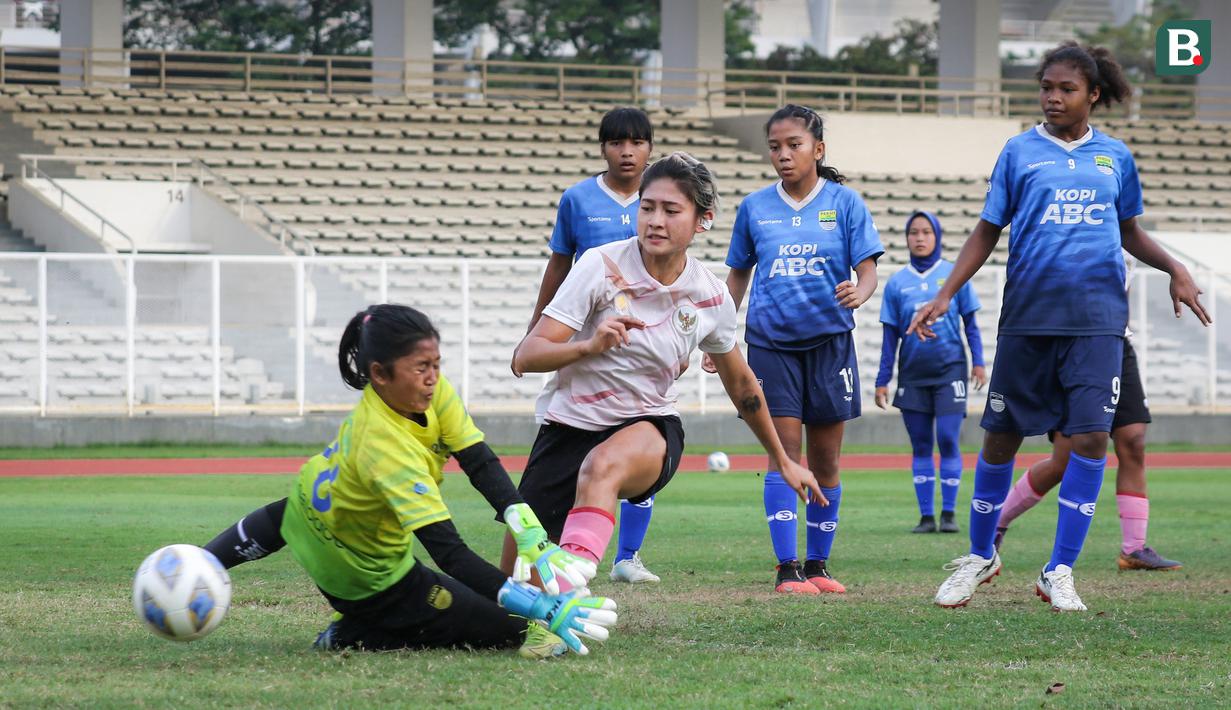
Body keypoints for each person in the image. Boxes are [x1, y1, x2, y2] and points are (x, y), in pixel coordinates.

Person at [911, 42, 1209, 612]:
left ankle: (1059, 570)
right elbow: (986, 230)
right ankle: (980, 556)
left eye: (1066, 88)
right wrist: (945, 293)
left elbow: (1129, 231)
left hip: (1098, 321)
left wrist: (1175, 266)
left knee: (1094, 438)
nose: (1052, 96)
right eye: (1046, 86)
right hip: (1029, 318)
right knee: (1001, 436)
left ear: (1093, 94)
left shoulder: (1115, 157)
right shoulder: (1019, 152)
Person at [204, 304, 616, 656]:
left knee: (482, 602)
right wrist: (542, 609)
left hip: (299, 515)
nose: (433, 377)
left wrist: (528, 531)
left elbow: (479, 461)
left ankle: (203, 564)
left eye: (436, 365)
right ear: (380, 374)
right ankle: (353, 630)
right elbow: (450, 553)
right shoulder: (384, 447)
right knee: (509, 626)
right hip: (363, 577)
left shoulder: (427, 391)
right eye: (421, 368)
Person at [500, 151, 825, 591]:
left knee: (601, 465)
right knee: (515, 594)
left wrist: (784, 460)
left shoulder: (710, 296)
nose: (654, 220)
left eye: (671, 210)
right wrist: (589, 346)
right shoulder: (599, 265)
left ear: (701, 220)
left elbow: (742, 386)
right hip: (567, 428)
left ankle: (573, 571)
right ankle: (553, 609)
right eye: (647, 207)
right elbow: (526, 356)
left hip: (649, 427)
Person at [704, 104, 883, 595]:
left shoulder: (845, 204)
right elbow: (737, 276)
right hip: (771, 346)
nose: (783, 155)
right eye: (775, 147)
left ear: (817, 150)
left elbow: (867, 269)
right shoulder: (755, 207)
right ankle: (787, 569)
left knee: (826, 463)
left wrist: (861, 292)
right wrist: (718, 333)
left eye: (794, 145)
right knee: (785, 453)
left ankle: (818, 565)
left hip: (830, 345)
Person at [512, 107, 663, 585]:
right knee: (563, 443)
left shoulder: (660, 201)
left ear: (650, 149)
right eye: (617, 142)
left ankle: (628, 555)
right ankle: (534, 565)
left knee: (639, 435)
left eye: (636, 142)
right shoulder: (578, 199)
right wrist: (536, 328)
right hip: (586, 345)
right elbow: (558, 266)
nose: (627, 151)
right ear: (603, 147)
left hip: (644, 345)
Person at [994, 257, 1181, 571]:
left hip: (1116, 343)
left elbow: (1125, 285)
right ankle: (996, 524)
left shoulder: (1126, 230)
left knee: (1133, 441)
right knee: (1063, 461)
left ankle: (1134, 549)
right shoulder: (1077, 225)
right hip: (1075, 345)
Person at [875, 211, 986, 534]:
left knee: (948, 439)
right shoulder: (897, 283)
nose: (919, 238)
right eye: (914, 233)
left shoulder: (954, 276)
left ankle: (949, 514)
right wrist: (883, 380)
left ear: (936, 236)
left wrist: (978, 361)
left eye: (926, 232)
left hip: (951, 370)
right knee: (921, 444)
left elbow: (971, 325)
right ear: (907, 239)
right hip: (912, 375)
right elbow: (889, 337)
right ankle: (926, 516)